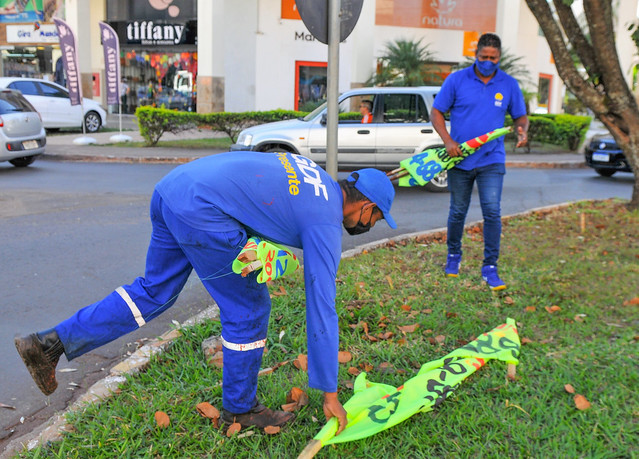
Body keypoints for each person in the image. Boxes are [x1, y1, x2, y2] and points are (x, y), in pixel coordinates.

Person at [14, 151, 397, 435]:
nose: (374, 225)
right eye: (378, 217)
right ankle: (241, 409)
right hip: (203, 210)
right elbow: (322, 307)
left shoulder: (314, 175)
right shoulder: (324, 221)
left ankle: (49, 344)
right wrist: (330, 392)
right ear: (366, 206)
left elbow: (259, 199)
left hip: (174, 189)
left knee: (153, 291)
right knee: (249, 308)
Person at [430, 33, 528, 291]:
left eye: (492, 58)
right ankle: (453, 257)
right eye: (483, 57)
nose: (487, 61)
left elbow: (520, 116)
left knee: (492, 211)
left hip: (492, 159)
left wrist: (522, 131)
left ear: (499, 57)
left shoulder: (508, 84)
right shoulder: (457, 80)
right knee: (458, 211)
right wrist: (448, 141)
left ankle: (490, 267)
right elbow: (437, 111)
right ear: (476, 55)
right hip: (460, 159)